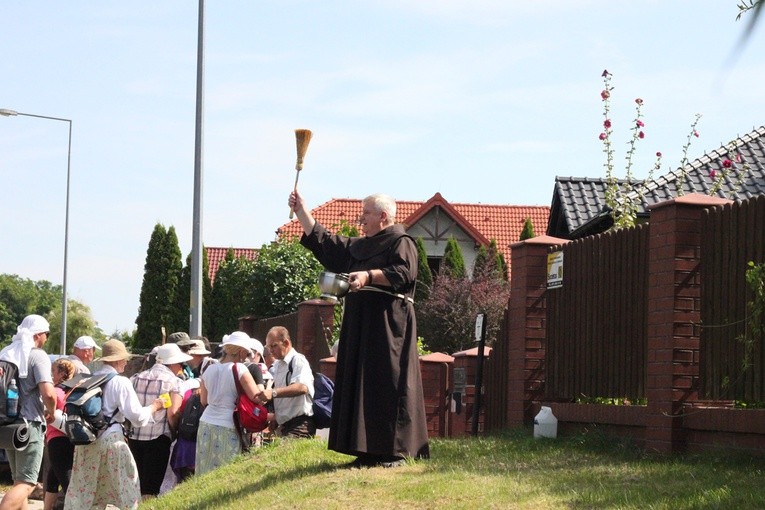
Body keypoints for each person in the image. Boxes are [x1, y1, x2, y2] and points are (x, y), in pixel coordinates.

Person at [289, 190, 430, 467]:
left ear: (383, 216)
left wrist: (369, 275)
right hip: (360, 327)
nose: (360, 218)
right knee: (361, 383)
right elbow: (327, 243)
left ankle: (394, 452)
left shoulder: (402, 242)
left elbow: (404, 274)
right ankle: (364, 451)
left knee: (388, 384)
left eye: (365, 212)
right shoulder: (359, 246)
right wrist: (302, 211)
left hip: (390, 328)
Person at [64, 339, 164, 510]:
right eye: (124, 359)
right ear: (117, 360)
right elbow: (137, 417)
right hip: (112, 441)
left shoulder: (89, 379)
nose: (126, 362)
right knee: (127, 488)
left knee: (87, 492)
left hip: (87, 441)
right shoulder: (120, 382)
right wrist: (154, 407)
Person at [0, 314, 57, 510]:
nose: (46, 338)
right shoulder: (37, 355)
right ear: (39, 334)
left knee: (18, 480)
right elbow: (48, 393)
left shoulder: (7, 353)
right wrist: (52, 411)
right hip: (29, 424)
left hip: (8, 424)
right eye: (46, 334)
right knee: (27, 482)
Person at [195, 332, 263, 475]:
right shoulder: (240, 369)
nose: (246, 357)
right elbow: (256, 397)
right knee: (226, 471)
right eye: (246, 353)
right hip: (228, 424)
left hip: (206, 423)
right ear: (240, 352)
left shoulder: (209, 369)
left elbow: (204, 401)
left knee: (204, 470)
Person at [128, 343, 188, 500]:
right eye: (181, 363)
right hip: (158, 439)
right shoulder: (174, 383)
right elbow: (173, 414)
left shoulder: (135, 378)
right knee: (151, 488)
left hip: (134, 437)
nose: (181, 367)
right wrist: (176, 433)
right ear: (173, 363)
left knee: (138, 485)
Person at [260, 326, 315, 439]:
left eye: (274, 346)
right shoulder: (279, 365)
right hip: (286, 425)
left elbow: (302, 387)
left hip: (300, 425)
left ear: (286, 343)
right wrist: (277, 418)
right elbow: (284, 398)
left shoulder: (298, 360)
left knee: (279, 456)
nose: (270, 350)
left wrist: (273, 392)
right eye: (268, 347)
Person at [43, 358, 76, 510]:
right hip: (71, 438)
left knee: (67, 482)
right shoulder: (73, 391)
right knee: (52, 479)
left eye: (53, 372)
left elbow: (46, 412)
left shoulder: (55, 391)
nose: (51, 375)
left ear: (62, 374)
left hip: (56, 440)